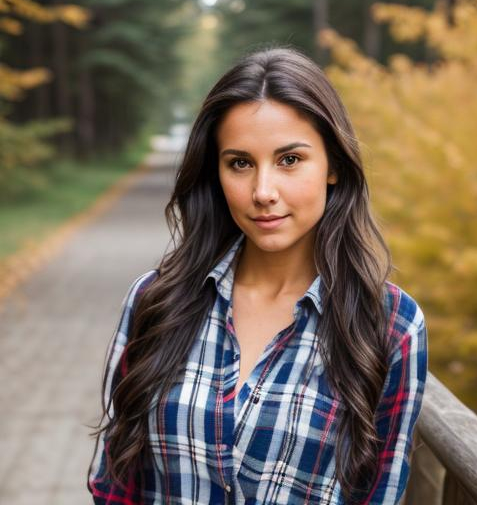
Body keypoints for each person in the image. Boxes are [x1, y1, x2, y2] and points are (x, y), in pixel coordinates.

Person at [87, 46, 428, 505]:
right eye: (240, 163)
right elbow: (113, 485)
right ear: (217, 173)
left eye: (290, 160)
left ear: (334, 166)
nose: (263, 192)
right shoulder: (155, 301)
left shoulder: (391, 325)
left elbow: (379, 494)